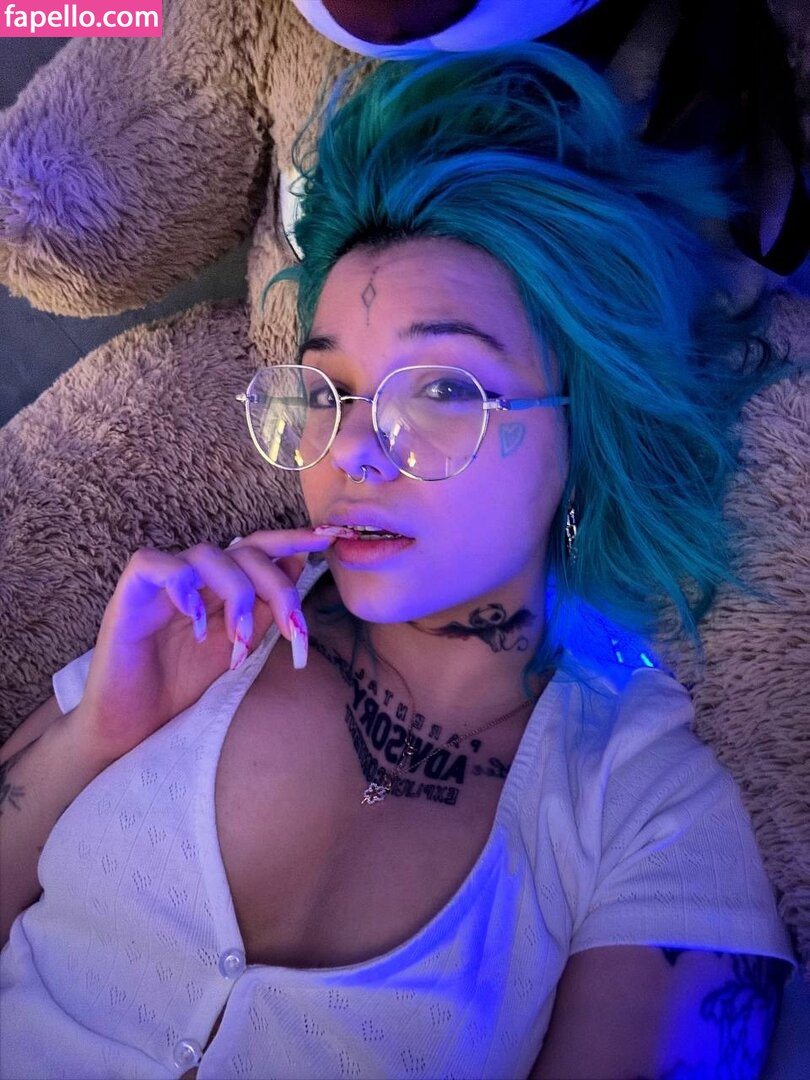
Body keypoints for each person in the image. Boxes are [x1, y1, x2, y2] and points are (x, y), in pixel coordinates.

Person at [0, 44, 796, 1079]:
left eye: (446, 390)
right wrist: (97, 733)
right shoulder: (192, 633)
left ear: (586, 426)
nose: (353, 451)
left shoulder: (651, 817)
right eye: (327, 392)